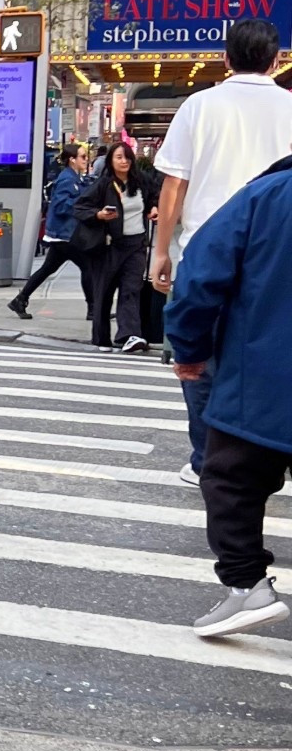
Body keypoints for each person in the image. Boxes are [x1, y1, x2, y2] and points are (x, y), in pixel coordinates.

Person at [149, 21, 292, 485]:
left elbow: (175, 183)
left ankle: (205, 458)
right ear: (276, 61)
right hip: (276, 254)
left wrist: (160, 253)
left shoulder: (199, 105)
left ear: (225, 59)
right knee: (270, 352)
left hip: (203, 249)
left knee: (197, 360)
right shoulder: (290, 107)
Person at [165, 152, 292, 638]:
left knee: (229, 479)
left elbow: (198, 278)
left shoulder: (266, 195)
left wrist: (190, 350)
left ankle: (247, 587)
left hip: (262, 379)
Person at [72, 140, 159, 353]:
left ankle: (130, 335)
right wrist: (98, 215)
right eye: (119, 157)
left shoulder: (141, 181)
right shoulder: (103, 185)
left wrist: (153, 208)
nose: (124, 161)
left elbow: (154, 196)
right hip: (109, 246)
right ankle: (101, 338)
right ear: (111, 160)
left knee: (131, 289)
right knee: (105, 291)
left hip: (136, 244)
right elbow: (80, 207)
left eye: (127, 157)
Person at [8, 141, 89, 320]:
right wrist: (81, 204)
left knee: (47, 269)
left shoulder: (76, 178)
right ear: (72, 160)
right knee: (89, 268)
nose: (86, 160)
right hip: (64, 235)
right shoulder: (67, 179)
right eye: (83, 157)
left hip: (64, 235)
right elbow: (60, 206)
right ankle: (94, 310)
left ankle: (20, 299)